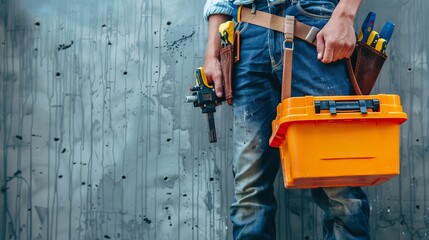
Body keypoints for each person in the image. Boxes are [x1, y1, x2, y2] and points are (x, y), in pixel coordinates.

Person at [202, 0, 370, 239]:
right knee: (249, 191)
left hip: (314, 24)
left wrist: (345, 14)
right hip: (249, 31)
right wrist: (212, 50)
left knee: (340, 184)